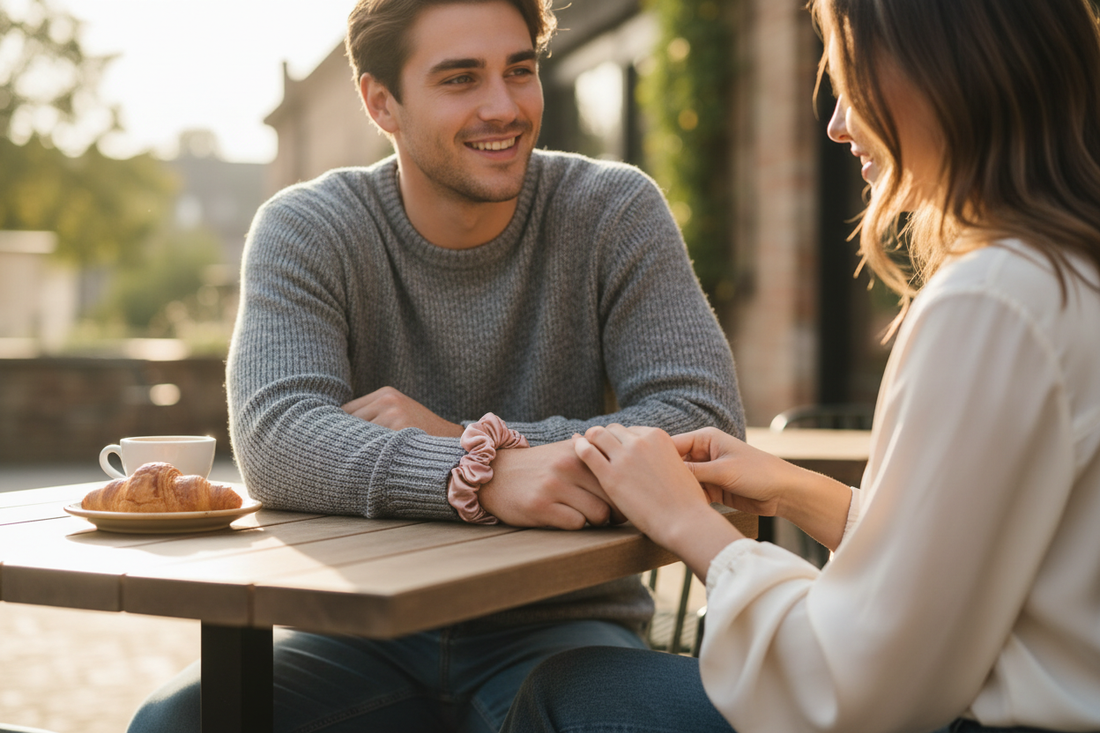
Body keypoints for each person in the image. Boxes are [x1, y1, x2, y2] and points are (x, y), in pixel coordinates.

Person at [126, 0, 743, 731]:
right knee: (176, 722)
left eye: (519, 71)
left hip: (563, 629)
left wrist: (467, 443)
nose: (504, 107)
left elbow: (702, 423)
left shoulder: (613, 209)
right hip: (361, 630)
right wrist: (480, 476)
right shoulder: (309, 226)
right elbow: (277, 433)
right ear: (381, 102)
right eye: (461, 79)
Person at [499, 0, 1100, 731]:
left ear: (946, 71)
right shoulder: (1064, 272)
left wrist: (691, 525)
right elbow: (967, 557)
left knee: (571, 692)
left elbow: (854, 690)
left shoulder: (995, 298)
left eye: (852, 78)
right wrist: (797, 492)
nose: (838, 123)